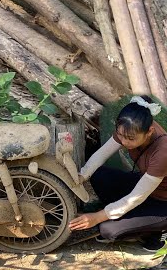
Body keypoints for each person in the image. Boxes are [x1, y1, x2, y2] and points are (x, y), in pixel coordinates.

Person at [70, 96, 167, 249]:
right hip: (146, 187)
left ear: (150, 132)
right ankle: (124, 214)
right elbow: (102, 154)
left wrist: (97, 217)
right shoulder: (130, 127)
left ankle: (158, 230)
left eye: (130, 139)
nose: (124, 142)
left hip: (162, 202)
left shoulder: (163, 153)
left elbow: (135, 198)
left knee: (107, 230)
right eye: (120, 135)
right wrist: (81, 176)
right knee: (98, 175)